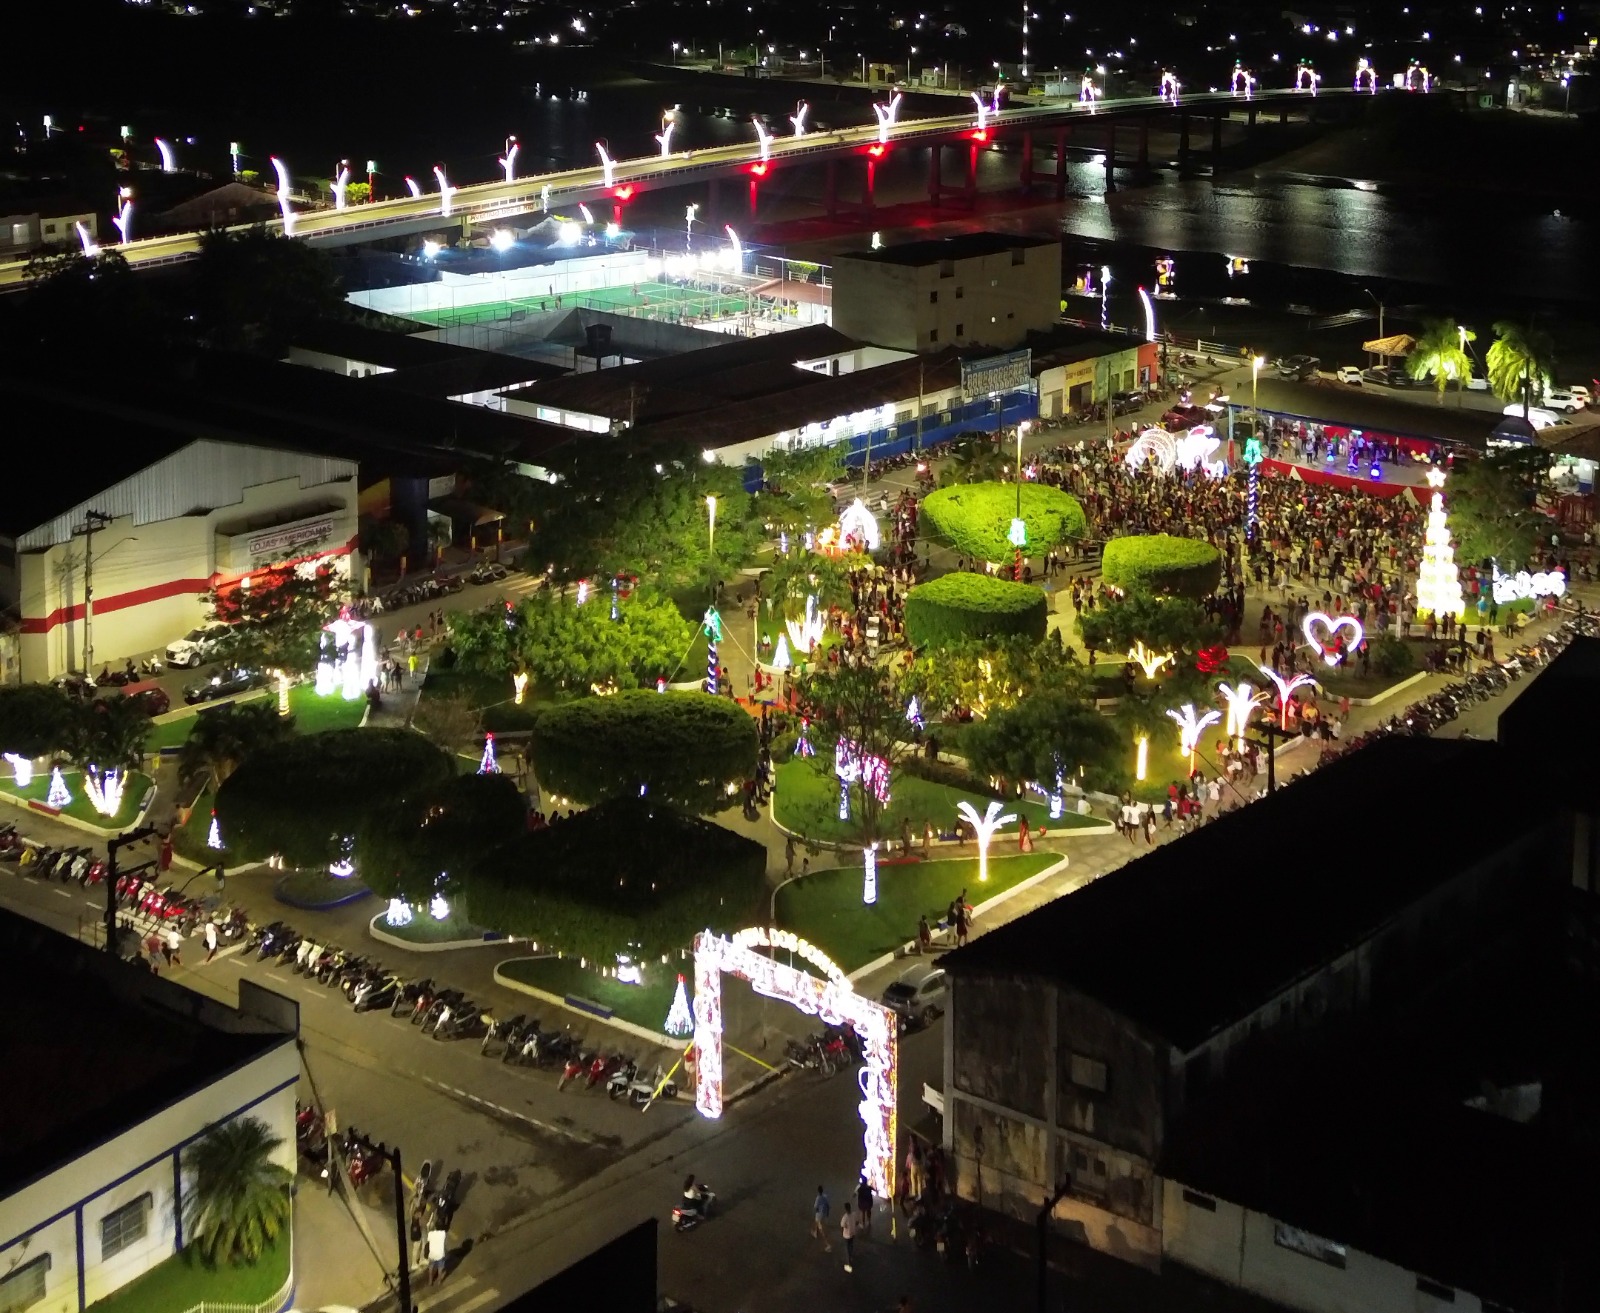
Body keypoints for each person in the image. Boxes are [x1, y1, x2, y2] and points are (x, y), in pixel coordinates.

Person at [811, 1185, 832, 1250]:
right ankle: (815, 1232)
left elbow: (816, 1207)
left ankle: (827, 1244)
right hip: (824, 1214)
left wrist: (817, 1212)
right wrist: (827, 1213)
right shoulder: (825, 1196)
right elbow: (828, 1205)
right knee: (816, 1222)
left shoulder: (818, 1198)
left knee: (821, 1229)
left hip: (819, 1214)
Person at [839, 1199, 857, 1272]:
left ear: (845, 1209)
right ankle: (851, 1256)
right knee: (851, 1245)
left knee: (847, 1248)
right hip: (853, 1233)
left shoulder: (845, 1217)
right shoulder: (854, 1214)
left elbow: (842, 1225)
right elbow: (856, 1222)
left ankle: (849, 1263)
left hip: (847, 1235)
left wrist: (846, 1226)